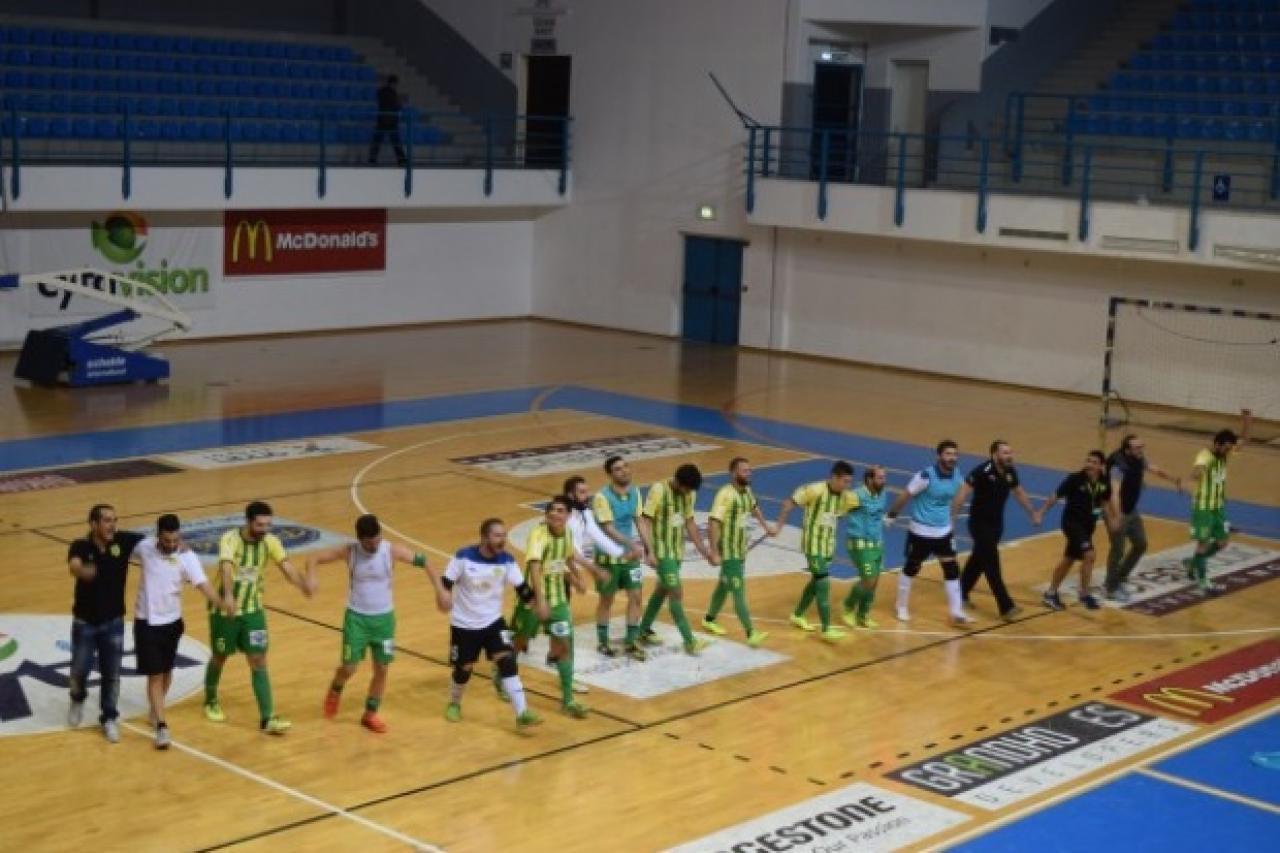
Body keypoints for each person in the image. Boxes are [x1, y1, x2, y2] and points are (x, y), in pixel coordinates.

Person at [310, 514, 434, 734]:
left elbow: (426, 562)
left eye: (377, 540)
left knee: (382, 668)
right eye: (370, 543)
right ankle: (336, 689)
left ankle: (370, 713)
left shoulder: (392, 550)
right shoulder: (349, 552)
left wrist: (441, 590)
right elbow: (314, 558)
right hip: (356, 619)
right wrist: (311, 576)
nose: (375, 546)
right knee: (349, 667)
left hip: (384, 620)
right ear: (360, 540)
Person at [203, 501, 311, 734]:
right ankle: (210, 700)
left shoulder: (270, 541)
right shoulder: (230, 539)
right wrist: (228, 595)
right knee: (220, 656)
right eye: (260, 525)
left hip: (253, 611)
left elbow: (286, 567)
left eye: (268, 525)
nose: (264, 529)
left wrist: (303, 584)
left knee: (259, 659)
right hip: (225, 611)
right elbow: (226, 568)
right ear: (249, 522)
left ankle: (267, 718)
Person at [133, 514, 227, 749]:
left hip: (173, 622)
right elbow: (120, 545)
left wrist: (220, 603)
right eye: (167, 541)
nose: (172, 545)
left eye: (176, 540)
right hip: (146, 622)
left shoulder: (187, 556)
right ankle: (162, 725)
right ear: (158, 536)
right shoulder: (144, 547)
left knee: (166, 671)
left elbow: (202, 583)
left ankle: (156, 709)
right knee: (155, 675)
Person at [440, 518, 542, 729]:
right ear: (484, 537)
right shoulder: (463, 556)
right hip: (464, 625)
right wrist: (444, 597)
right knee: (464, 670)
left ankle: (522, 713)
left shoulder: (507, 560)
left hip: (493, 622)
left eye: (504, 535)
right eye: (497, 535)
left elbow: (523, 589)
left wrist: (536, 604)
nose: (502, 540)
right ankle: (454, 703)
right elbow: (445, 583)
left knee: (507, 661)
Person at [66, 504, 144, 743]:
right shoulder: (81, 546)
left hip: (113, 622)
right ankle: (77, 698)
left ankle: (109, 717)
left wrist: (178, 544)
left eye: (114, 520)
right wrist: (82, 571)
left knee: (112, 674)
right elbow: (74, 565)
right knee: (79, 670)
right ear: (94, 524)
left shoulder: (123, 541)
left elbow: (152, 541)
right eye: (107, 520)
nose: (113, 525)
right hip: (85, 623)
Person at [520, 496, 593, 717]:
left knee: (564, 646)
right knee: (519, 643)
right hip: (534, 600)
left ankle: (568, 700)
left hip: (559, 601)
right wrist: (540, 601)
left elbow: (565, 560)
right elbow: (535, 568)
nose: (554, 513)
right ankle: (499, 675)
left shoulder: (567, 533)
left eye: (560, 510)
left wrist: (577, 579)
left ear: (568, 515)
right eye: (551, 510)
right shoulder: (538, 535)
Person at [953, 440, 1038, 620]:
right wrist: (951, 520)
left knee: (978, 559)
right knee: (991, 564)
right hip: (979, 524)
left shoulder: (1010, 472)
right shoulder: (982, 471)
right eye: (1005, 453)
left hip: (996, 525)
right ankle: (1006, 607)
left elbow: (1019, 492)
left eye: (1010, 452)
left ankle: (960, 593)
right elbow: (962, 493)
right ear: (994, 455)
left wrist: (1032, 512)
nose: (1009, 456)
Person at [888, 441, 971, 626]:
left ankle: (956, 612)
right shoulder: (925, 476)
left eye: (955, 454)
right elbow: (905, 495)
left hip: (943, 532)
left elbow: (958, 498)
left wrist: (952, 521)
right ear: (939, 456)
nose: (952, 458)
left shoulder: (957, 475)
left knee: (952, 569)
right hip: (920, 531)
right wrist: (891, 515)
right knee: (912, 568)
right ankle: (901, 606)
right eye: (948, 454)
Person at [637, 464, 716, 655]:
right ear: (678, 482)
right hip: (661, 552)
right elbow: (645, 521)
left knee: (662, 591)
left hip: (677, 552)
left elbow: (690, 523)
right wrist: (649, 551)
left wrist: (704, 551)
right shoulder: (658, 490)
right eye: (687, 489)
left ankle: (643, 630)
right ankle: (690, 641)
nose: (689, 493)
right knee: (676, 592)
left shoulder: (689, 494)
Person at [775, 460, 859, 641]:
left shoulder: (846, 497)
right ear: (834, 477)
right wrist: (778, 527)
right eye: (845, 481)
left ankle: (798, 614)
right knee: (823, 583)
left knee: (815, 583)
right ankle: (826, 628)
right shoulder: (815, 490)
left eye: (849, 482)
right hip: (812, 545)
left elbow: (843, 514)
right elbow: (788, 503)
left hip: (828, 546)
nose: (847, 485)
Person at [702, 457, 778, 646]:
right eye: (745, 470)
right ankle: (751, 633)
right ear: (733, 473)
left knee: (724, 585)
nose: (749, 473)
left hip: (741, 549)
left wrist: (766, 526)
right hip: (729, 552)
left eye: (750, 470)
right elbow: (713, 523)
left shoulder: (747, 491)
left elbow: (754, 507)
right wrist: (714, 552)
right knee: (738, 590)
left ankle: (709, 619)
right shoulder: (725, 495)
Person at [1035, 450, 1121, 610]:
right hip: (1072, 524)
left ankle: (1051, 593)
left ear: (1101, 466)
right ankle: (1084, 594)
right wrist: (1041, 513)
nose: (1089, 465)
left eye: (1094, 462)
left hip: (1087, 527)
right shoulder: (1075, 479)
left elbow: (1104, 506)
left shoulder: (1104, 483)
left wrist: (1111, 526)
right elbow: (1055, 496)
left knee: (1069, 559)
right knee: (1090, 555)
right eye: (1088, 461)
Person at [1104, 434, 1182, 602]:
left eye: (1142, 446)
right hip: (1116, 511)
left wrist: (1173, 479)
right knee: (1118, 550)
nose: (1141, 450)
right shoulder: (1118, 467)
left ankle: (1121, 575)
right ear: (1127, 450)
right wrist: (1117, 516)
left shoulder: (1138, 459)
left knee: (1141, 544)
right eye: (1137, 447)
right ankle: (1111, 588)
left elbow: (1155, 469)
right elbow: (1114, 494)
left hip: (1131, 510)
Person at [1183, 411, 1251, 595]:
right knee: (1203, 544)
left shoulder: (1224, 453)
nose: (1228, 452)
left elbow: (1243, 442)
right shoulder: (1205, 455)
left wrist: (1247, 421)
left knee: (1222, 542)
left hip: (1218, 507)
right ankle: (1203, 581)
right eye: (1226, 448)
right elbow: (1198, 469)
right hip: (1203, 508)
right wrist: (1191, 478)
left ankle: (1193, 563)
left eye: (1230, 448)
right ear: (1217, 444)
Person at [589, 458, 649, 659]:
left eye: (625, 467)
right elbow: (608, 528)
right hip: (608, 557)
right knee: (607, 600)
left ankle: (631, 641)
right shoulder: (602, 497)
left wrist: (650, 549)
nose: (623, 471)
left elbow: (639, 520)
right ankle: (603, 642)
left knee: (636, 596)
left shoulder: (635, 492)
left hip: (629, 557)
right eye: (617, 469)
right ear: (610, 474)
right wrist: (632, 545)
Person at [841, 464, 890, 629]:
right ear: (869, 479)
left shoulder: (883, 494)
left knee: (874, 582)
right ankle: (848, 607)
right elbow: (839, 512)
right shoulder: (855, 495)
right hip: (859, 543)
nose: (884, 481)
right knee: (868, 580)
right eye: (880, 478)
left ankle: (863, 615)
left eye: (884, 477)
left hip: (877, 543)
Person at [368, 74, 406, 166]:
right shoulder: (392, 93)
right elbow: (396, 105)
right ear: (393, 83)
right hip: (391, 120)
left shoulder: (381, 91)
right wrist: (400, 105)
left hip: (382, 119)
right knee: (395, 141)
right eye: (395, 84)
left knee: (378, 141)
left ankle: (372, 159)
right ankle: (401, 160)